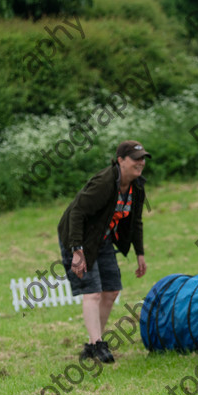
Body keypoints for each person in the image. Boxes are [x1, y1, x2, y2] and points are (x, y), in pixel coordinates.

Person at [57, 140, 150, 362]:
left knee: (111, 290)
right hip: (78, 238)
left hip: (103, 240)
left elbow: (135, 221)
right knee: (92, 292)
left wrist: (140, 253)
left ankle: (91, 345)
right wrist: (77, 251)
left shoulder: (136, 186)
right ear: (120, 160)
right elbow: (76, 213)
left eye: (143, 158)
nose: (141, 163)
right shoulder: (104, 183)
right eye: (136, 159)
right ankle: (98, 344)